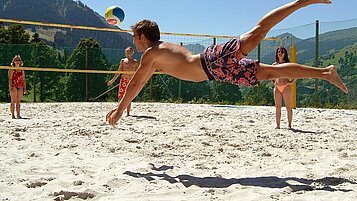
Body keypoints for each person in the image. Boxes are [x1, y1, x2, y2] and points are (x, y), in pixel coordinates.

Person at [107, 0, 348, 127]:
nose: (133, 41)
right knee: (271, 72)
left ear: (143, 36)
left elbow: (136, 83)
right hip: (216, 72)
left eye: (134, 37)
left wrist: (119, 110)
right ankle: (325, 73)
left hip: (212, 61)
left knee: (258, 32)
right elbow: (139, 81)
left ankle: (301, 2)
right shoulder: (159, 50)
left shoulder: (152, 52)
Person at [107, 46, 139, 116]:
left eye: (130, 51)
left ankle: (128, 113)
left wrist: (139, 81)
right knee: (120, 96)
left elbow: (137, 73)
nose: (128, 53)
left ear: (133, 52)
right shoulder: (123, 61)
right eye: (127, 51)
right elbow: (118, 72)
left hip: (131, 80)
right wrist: (112, 81)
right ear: (125, 52)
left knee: (129, 96)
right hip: (124, 80)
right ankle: (117, 111)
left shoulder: (135, 62)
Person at [272, 47, 295, 129]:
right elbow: (270, 75)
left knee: (288, 107)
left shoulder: (288, 64)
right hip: (277, 87)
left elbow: (295, 76)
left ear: (285, 54)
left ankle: (289, 125)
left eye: (282, 52)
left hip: (286, 87)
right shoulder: (274, 65)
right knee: (278, 107)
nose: (280, 53)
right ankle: (278, 125)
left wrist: (289, 82)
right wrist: (274, 81)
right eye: (278, 51)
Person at [8, 55, 27, 119]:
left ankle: (18, 115)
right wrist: (10, 87)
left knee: (18, 101)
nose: (17, 61)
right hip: (14, 85)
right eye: (16, 60)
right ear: (13, 61)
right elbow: (10, 79)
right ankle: (13, 115)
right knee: (13, 101)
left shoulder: (22, 69)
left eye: (19, 60)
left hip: (20, 85)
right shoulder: (12, 69)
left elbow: (24, 79)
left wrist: (25, 89)